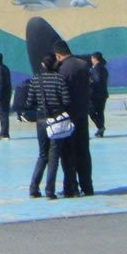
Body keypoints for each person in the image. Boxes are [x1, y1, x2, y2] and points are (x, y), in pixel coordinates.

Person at [24, 54, 72, 199]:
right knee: (54, 156)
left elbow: (29, 102)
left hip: (41, 120)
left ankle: (33, 188)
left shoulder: (35, 80)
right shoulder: (59, 79)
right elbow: (66, 100)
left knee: (42, 155)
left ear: (43, 65)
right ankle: (50, 191)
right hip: (56, 121)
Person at [54, 39, 93, 197]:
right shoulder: (84, 65)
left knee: (68, 153)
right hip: (82, 113)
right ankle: (87, 186)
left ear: (58, 55)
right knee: (83, 151)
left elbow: (61, 93)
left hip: (67, 116)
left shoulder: (61, 69)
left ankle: (71, 188)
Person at [89, 52, 109, 137]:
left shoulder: (95, 69)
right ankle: (101, 131)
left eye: (91, 58)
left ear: (94, 58)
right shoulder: (104, 68)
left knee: (91, 111)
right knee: (100, 112)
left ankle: (100, 127)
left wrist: (90, 83)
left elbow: (97, 80)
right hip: (103, 94)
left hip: (95, 94)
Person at [0, 51, 12, 140]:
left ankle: (4, 134)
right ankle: (3, 132)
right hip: (7, 94)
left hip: (2, 96)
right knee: (4, 114)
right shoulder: (5, 68)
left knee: (3, 114)